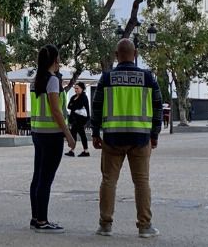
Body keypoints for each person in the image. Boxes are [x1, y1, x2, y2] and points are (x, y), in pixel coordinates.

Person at [91, 39, 163, 238]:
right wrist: (155, 134)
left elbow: (97, 106)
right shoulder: (148, 78)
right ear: (135, 54)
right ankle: (144, 226)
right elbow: (158, 106)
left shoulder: (107, 78)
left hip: (112, 138)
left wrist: (95, 133)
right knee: (142, 182)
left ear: (116, 55)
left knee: (108, 181)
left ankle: (105, 225)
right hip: (140, 138)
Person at [29, 44, 76, 233]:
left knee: (37, 177)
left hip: (38, 133)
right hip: (52, 135)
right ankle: (43, 221)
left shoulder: (35, 81)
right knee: (46, 179)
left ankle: (35, 218)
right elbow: (56, 110)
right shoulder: (53, 81)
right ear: (55, 60)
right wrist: (68, 135)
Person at [65, 83, 91, 157]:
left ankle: (83, 151)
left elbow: (79, 105)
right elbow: (69, 106)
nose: (75, 90)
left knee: (80, 134)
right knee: (75, 133)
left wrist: (73, 105)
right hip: (74, 119)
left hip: (81, 119)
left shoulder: (84, 97)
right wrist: (74, 106)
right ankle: (75, 150)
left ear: (82, 89)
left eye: (77, 88)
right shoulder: (73, 97)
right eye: (75, 88)